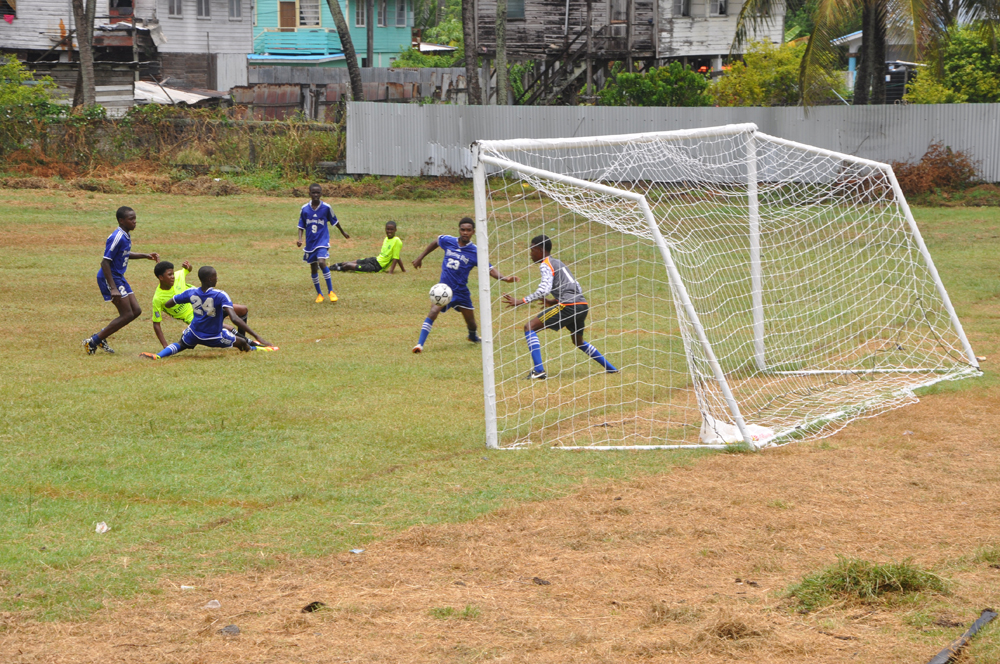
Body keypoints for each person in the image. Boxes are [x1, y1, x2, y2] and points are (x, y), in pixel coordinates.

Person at [502, 234, 617, 379]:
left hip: (568, 306)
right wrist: (554, 301)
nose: (530, 253)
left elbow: (543, 289)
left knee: (529, 327)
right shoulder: (559, 263)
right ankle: (612, 369)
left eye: (532, 250)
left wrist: (521, 300)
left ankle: (539, 371)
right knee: (578, 341)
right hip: (582, 305)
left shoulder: (546, 264)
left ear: (539, 250)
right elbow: (577, 288)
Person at [411, 217, 518, 353]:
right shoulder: (449, 241)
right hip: (444, 289)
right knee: (433, 311)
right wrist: (420, 257)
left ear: (473, 231)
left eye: (468, 230)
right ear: (459, 230)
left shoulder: (476, 252)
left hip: (461, 292)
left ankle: (472, 336)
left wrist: (505, 278)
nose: (465, 233)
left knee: (471, 322)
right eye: (462, 230)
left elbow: (490, 269)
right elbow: (436, 241)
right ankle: (419, 344)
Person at [139, 266, 274, 359]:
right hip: (212, 336)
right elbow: (234, 318)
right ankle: (261, 348)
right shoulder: (220, 295)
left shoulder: (190, 292)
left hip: (193, 332)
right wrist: (258, 336)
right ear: (210, 279)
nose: (217, 279)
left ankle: (158, 355)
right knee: (242, 343)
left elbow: (169, 303)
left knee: (181, 344)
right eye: (215, 277)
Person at [83, 206, 159, 355]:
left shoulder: (126, 235)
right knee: (127, 314)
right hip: (109, 278)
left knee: (136, 311)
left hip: (119, 277)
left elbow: (124, 254)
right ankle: (93, 341)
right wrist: (113, 288)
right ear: (121, 220)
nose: (135, 222)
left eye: (135, 218)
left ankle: (100, 337)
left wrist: (145, 255)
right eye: (131, 219)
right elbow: (105, 262)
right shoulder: (117, 236)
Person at [150, 260, 254, 349]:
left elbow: (188, 270)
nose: (173, 277)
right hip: (195, 317)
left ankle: (245, 342)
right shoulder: (158, 299)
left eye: (172, 273)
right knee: (225, 327)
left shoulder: (178, 276)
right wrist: (165, 346)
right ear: (161, 277)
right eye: (169, 275)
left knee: (242, 310)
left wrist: (189, 266)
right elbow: (156, 324)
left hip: (207, 302)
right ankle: (250, 343)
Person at [297, 183, 349, 303]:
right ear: (309, 193)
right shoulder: (304, 209)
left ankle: (331, 291)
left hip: (322, 241)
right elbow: (301, 225)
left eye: (318, 192)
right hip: (310, 243)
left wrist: (343, 232)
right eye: (313, 192)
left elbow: (335, 221)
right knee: (313, 268)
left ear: (321, 194)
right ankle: (319, 294)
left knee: (321, 262)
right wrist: (300, 239)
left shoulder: (326, 207)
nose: (316, 195)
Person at [331, 221, 405, 274]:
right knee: (346, 262)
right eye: (387, 229)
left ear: (395, 230)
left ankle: (333, 269)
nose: (389, 231)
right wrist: (403, 270)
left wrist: (390, 272)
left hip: (377, 266)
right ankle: (327, 268)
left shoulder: (397, 241)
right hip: (375, 259)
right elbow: (397, 256)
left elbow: (396, 258)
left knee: (348, 266)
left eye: (391, 229)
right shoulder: (386, 239)